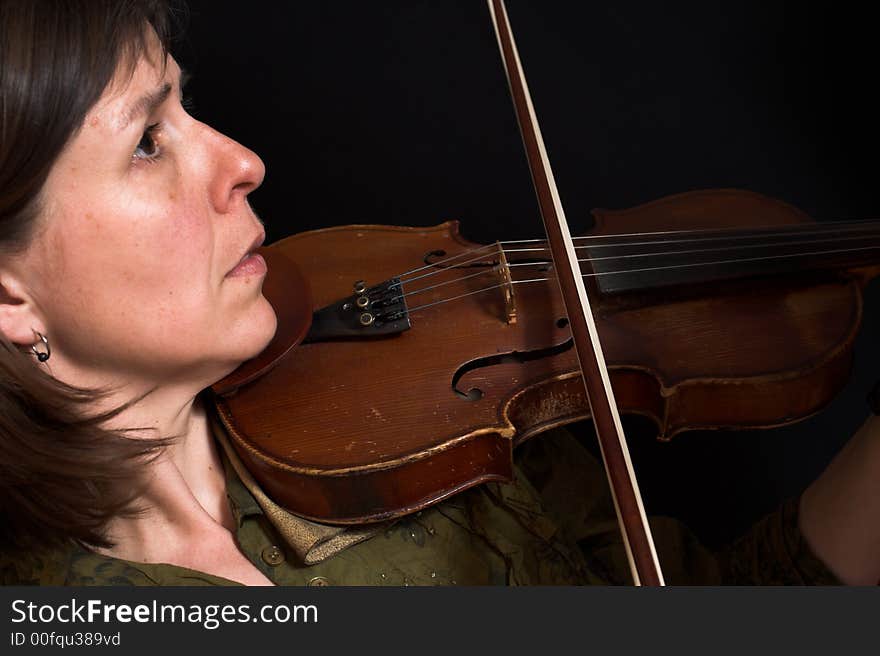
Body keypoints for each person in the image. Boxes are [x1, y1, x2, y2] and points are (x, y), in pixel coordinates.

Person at [0, 0, 872, 587]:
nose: (244, 162)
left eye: (189, 107)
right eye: (150, 142)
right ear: (10, 297)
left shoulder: (415, 414)